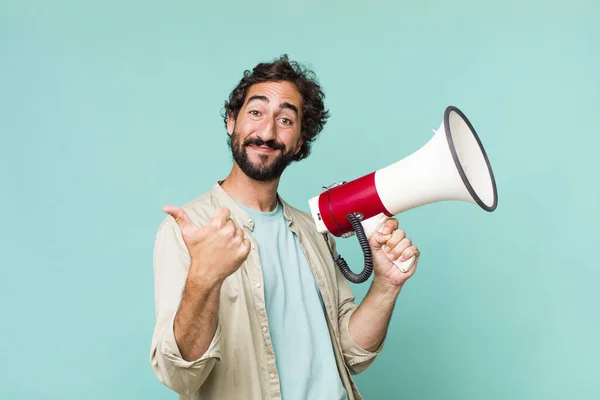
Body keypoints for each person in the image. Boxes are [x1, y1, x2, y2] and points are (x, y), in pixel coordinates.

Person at [149, 55, 420, 400]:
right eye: (256, 112)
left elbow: (350, 354)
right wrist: (204, 277)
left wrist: (386, 284)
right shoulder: (188, 231)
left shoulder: (313, 232)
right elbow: (179, 375)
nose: (267, 132)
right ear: (231, 121)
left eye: (286, 120)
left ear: (300, 142)